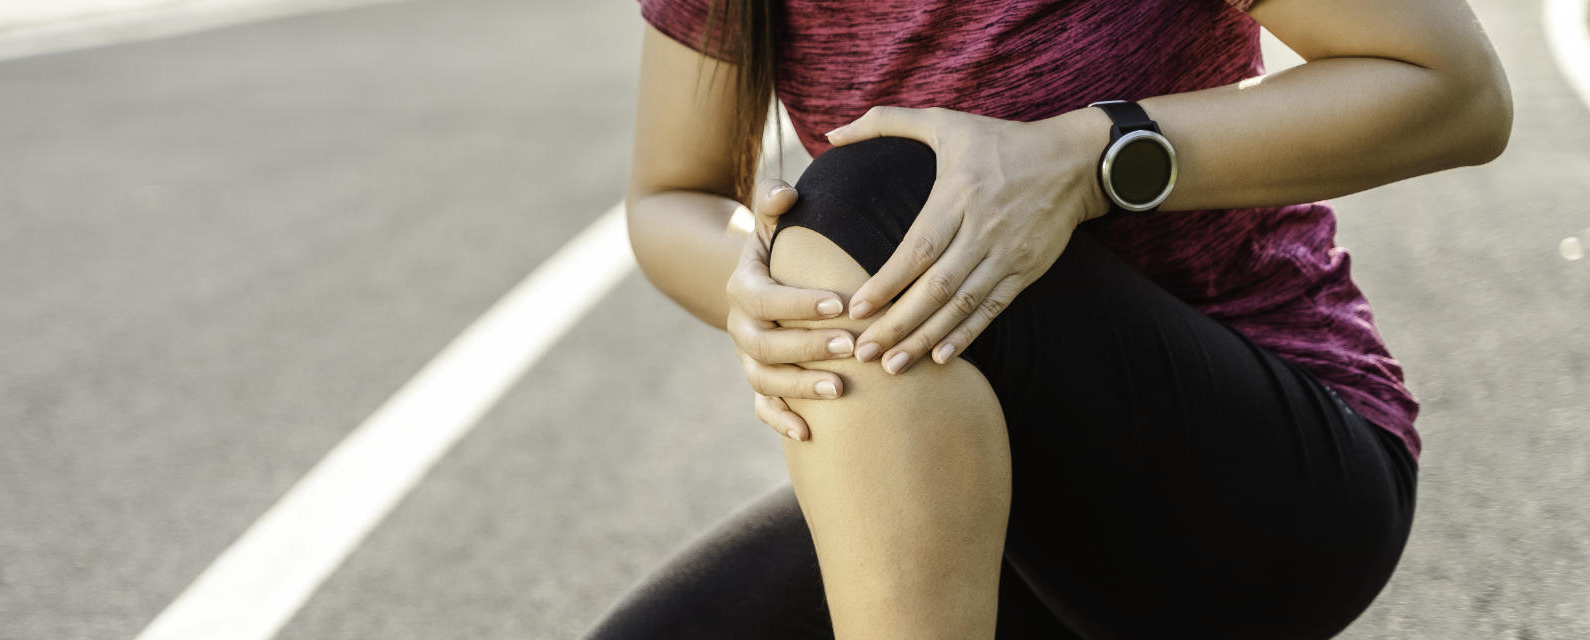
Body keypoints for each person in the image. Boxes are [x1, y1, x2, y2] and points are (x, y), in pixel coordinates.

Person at [585, 0, 1513, 637]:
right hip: (988, 490)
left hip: (1274, 478)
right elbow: (673, 195)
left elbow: (1455, 88)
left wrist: (1087, 159)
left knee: (872, 200)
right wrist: (761, 292)